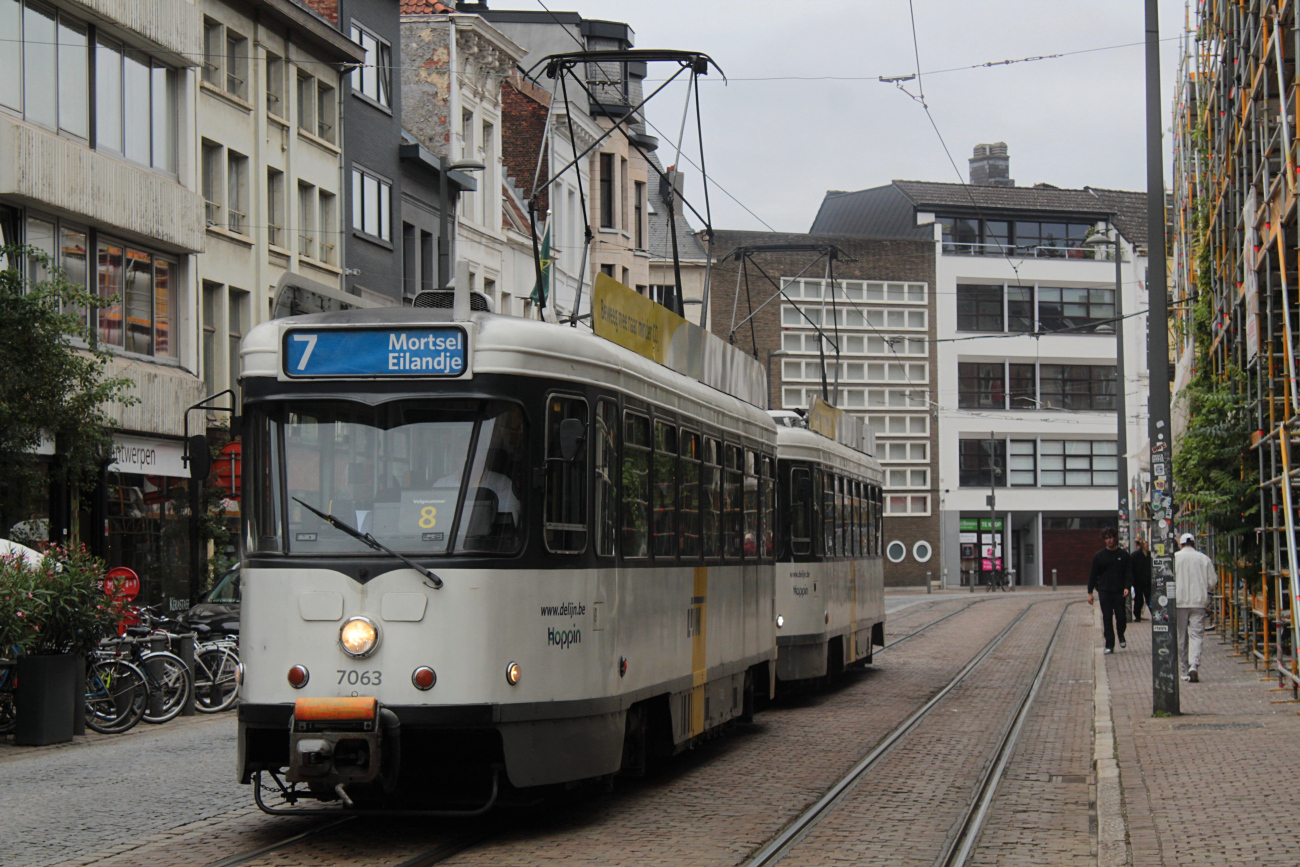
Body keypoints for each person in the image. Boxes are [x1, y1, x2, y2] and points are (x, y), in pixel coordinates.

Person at [1174, 532, 1217, 683]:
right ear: (1194, 543)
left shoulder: (1175, 558)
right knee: (1196, 635)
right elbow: (1212, 582)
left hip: (1179, 603)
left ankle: (1184, 669)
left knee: (1181, 636)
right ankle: (1194, 665)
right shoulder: (1204, 559)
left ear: (1181, 544)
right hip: (1199, 602)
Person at [1087, 526, 1132, 654]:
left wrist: (1127, 587)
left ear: (1115, 538)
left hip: (1119, 591)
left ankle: (1121, 634)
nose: (1109, 540)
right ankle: (1109, 644)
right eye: (1106, 538)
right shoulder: (1099, 556)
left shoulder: (1123, 555)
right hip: (1104, 590)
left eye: (1111, 538)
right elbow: (1093, 574)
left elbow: (1128, 573)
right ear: (1104, 540)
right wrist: (1090, 592)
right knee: (1107, 617)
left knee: (1121, 616)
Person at [1130, 536, 1152, 621]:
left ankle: (1137, 616)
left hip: (1137, 581)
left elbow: (1131, 568)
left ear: (1136, 544)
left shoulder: (1134, 555)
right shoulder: (1149, 554)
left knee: (1138, 599)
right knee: (1149, 598)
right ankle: (1154, 614)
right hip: (1148, 581)